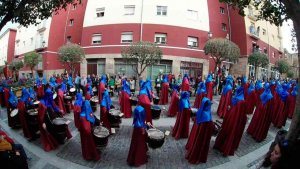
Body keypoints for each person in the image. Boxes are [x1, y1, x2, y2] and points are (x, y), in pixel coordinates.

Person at [214, 86, 247, 156]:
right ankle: (226, 148)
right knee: (232, 132)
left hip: (229, 117)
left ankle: (220, 144)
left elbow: (230, 107)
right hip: (235, 119)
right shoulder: (242, 101)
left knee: (226, 130)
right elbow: (241, 114)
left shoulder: (234, 98)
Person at [185, 97, 215, 164]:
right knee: (199, 144)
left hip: (198, 133)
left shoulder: (200, 111)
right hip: (202, 135)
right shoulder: (206, 116)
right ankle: (198, 156)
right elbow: (209, 127)